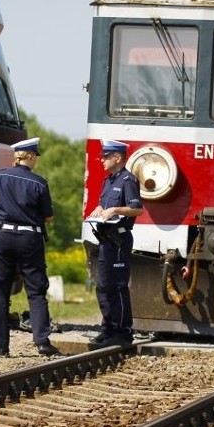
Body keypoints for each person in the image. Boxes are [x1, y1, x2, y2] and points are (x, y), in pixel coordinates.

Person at [0, 137, 59, 357]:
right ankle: (42, 343)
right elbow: (49, 217)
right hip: (30, 239)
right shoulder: (39, 182)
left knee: (0, 293)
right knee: (36, 292)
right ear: (31, 157)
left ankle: (0, 347)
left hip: (3, 236)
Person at [87, 139, 143, 346]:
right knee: (103, 285)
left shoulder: (128, 180)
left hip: (119, 239)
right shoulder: (108, 181)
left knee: (118, 286)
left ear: (117, 158)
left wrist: (116, 210)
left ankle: (122, 330)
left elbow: (137, 209)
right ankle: (108, 327)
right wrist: (100, 209)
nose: (101, 159)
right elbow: (105, 204)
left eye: (105, 156)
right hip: (105, 240)